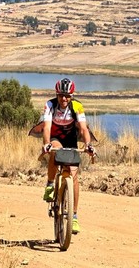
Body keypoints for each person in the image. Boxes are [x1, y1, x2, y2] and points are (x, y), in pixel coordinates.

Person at [40, 77, 95, 235]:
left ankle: (74, 216)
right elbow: (46, 127)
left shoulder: (77, 106)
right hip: (55, 137)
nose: (64, 99)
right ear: (56, 94)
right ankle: (50, 185)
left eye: (67, 96)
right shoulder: (50, 105)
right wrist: (46, 144)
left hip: (71, 138)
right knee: (55, 152)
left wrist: (88, 145)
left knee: (74, 175)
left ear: (72, 96)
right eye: (61, 95)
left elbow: (84, 129)